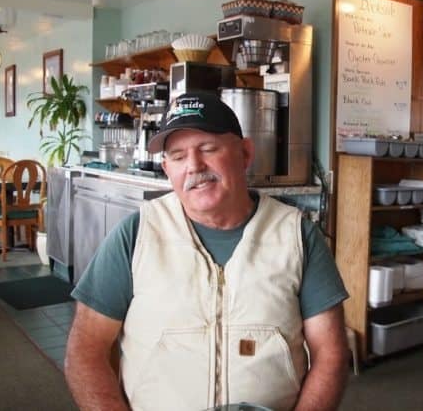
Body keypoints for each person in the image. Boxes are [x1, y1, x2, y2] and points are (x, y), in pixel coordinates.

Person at [65, 92, 349, 411]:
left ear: (245, 153)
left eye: (208, 149)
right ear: (166, 168)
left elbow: (331, 355)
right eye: (178, 156)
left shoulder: (296, 234)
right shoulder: (136, 234)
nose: (194, 166)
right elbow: (85, 350)